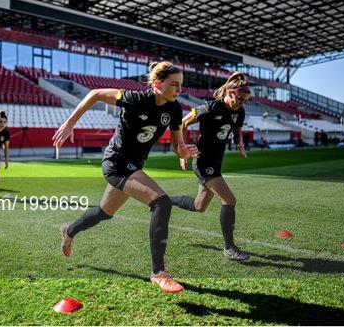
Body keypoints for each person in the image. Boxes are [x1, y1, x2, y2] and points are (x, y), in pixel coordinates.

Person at [53, 62, 198, 294]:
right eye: (174, 84)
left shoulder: (174, 109)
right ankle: (158, 273)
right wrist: (70, 123)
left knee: (104, 213)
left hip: (133, 166)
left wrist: (182, 152)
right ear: (158, 83)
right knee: (161, 202)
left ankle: (69, 232)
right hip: (116, 164)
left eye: (181, 85)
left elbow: (176, 145)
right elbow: (95, 93)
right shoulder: (135, 98)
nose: (179, 89)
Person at [170, 71, 250, 261]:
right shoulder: (210, 107)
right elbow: (183, 122)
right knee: (229, 200)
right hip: (203, 161)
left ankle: (165, 200)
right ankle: (229, 247)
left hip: (216, 162)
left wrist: (239, 144)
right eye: (239, 98)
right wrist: (182, 151)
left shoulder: (239, 111)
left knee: (199, 206)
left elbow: (237, 131)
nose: (241, 102)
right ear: (229, 93)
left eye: (244, 99)